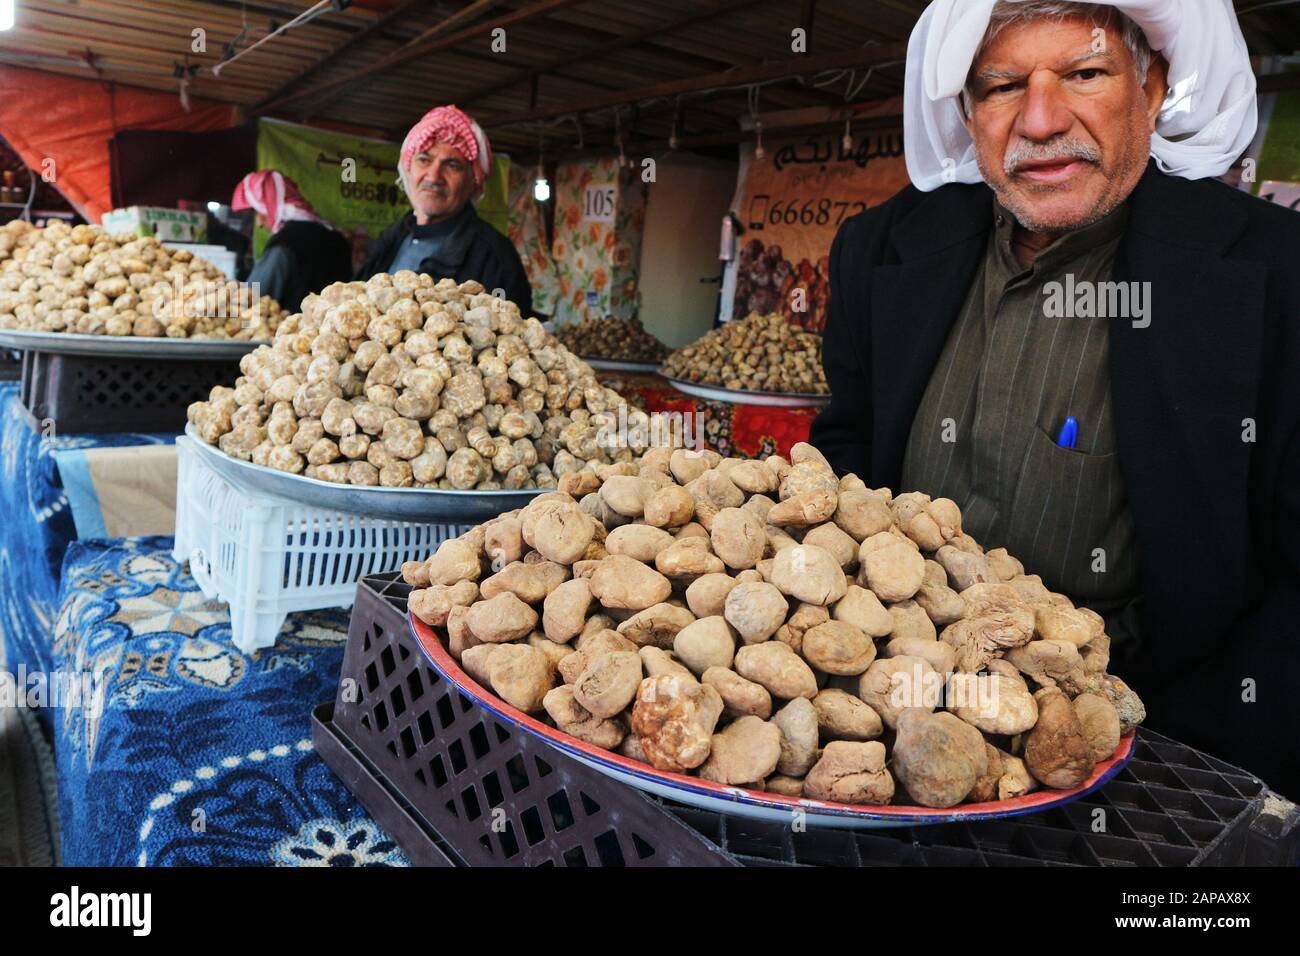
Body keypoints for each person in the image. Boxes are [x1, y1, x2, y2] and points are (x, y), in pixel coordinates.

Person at [811, 0, 1300, 797]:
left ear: (1151, 87)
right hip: (899, 726)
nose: (1040, 121)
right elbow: (849, 446)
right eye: (1002, 85)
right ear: (966, 111)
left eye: (1084, 73)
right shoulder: (881, 252)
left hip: (1153, 747)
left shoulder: (1276, 274)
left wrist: (1188, 763)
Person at [356, 105, 532, 313]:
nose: (433, 177)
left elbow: (513, 336)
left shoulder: (495, 256)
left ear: (473, 180)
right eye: (424, 159)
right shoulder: (393, 237)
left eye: (452, 165)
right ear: (408, 168)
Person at [230, 170, 352, 311]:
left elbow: (250, 300)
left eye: (258, 211)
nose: (259, 223)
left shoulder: (283, 246)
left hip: (291, 330)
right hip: (335, 329)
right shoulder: (338, 240)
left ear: (272, 206)